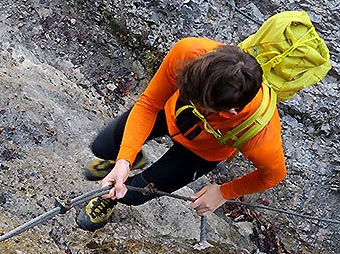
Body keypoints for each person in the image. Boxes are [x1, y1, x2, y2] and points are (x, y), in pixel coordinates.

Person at [76, 37, 286, 231]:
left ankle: (111, 197)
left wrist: (224, 193)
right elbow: (149, 104)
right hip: (169, 113)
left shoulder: (260, 136)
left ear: (228, 112)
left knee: (133, 194)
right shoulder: (189, 52)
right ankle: (128, 162)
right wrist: (124, 159)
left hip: (201, 153)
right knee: (102, 147)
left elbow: (273, 176)